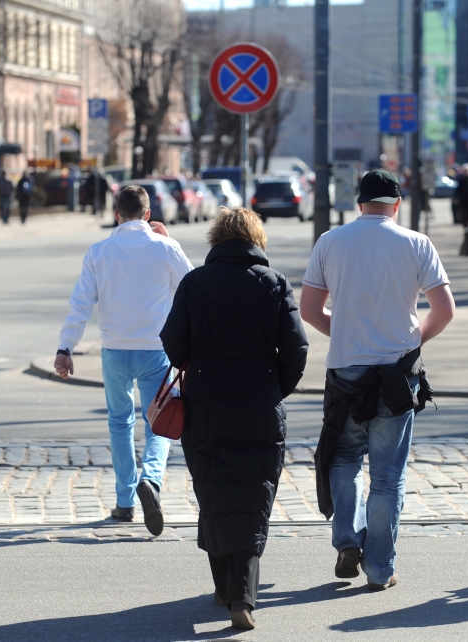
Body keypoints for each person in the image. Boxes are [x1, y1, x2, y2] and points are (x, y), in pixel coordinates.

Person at [299, 169, 455, 593]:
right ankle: (380, 569)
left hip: (346, 370)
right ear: (397, 204)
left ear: (360, 202)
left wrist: (346, 331)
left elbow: (310, 310)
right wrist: (412, 341)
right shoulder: (416, 243)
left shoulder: (330, 242)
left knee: (345, 457)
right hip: (396, 375)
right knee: (387, 476)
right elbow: (444, 310)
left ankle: (349, 541)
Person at [160, 207, 308, 632]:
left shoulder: (194, 283)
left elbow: (173, 344)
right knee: (251, 494)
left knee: (213, 490)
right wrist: (272, 388)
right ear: (256, 239)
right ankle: (242, 596)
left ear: (215, 239)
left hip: (204, 405)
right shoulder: (275, 283)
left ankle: (225, 589)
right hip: (259, 404)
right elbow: (296, 350)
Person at [54, 185, 193, 536]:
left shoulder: (100, 250)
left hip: (114, 350)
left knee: (119, 423)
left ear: (116, 214)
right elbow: (193, 287)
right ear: (148, 214)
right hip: (155, 350)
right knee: (160, 423)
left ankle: (125, 500)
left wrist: (65, 348)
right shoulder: (166, 247)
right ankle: (152, 479)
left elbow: (81, 303)